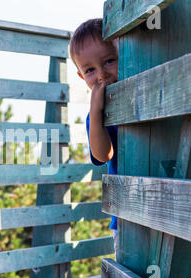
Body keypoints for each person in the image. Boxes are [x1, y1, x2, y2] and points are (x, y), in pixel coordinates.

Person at [69, 18, 119, 252]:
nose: (101, 75)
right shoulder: (96, 115)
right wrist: (96, 112)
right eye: (90, 70)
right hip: (125, 214)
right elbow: (103, 154)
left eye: (109, 61)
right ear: (81, 75)